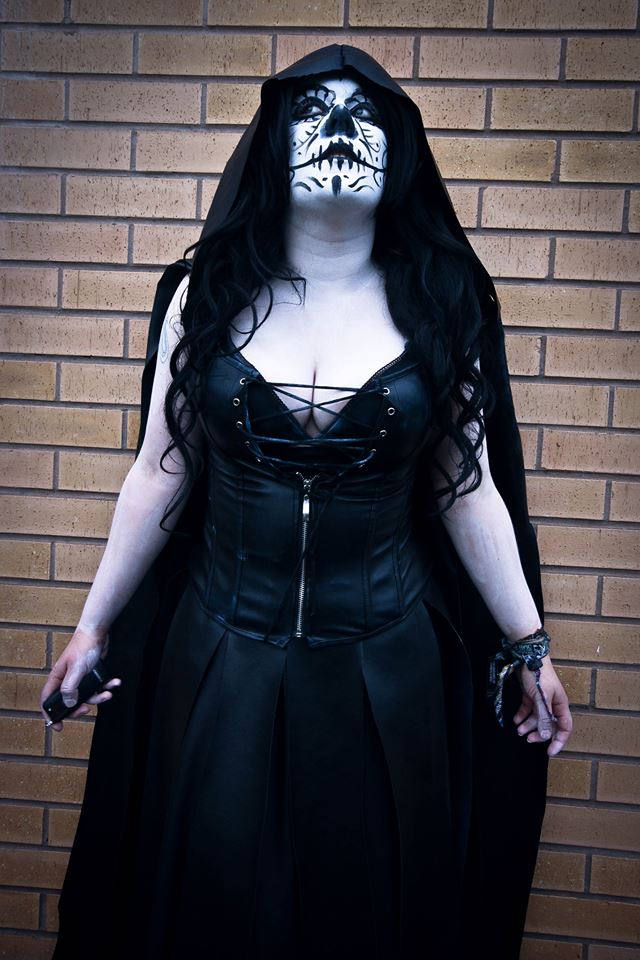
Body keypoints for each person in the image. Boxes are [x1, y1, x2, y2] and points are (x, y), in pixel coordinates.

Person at [43, 43, 572, 960]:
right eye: (311, 111)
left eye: (363, 113)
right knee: (211, 905)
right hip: (220, 658)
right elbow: (161, 471)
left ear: (400, 150)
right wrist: (92, 627)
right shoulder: (205, 297)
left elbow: (469, 490)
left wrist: (529, 644)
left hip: (387, 669)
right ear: (271, 143)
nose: (337, 129)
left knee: (364, 910)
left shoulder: (440, 305)